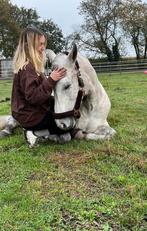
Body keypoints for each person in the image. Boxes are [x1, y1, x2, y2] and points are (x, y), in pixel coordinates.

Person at [11, 26, 69, 145]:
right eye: (40, 44)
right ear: (29, 46)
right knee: (65, 126)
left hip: (35, 111)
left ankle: (39, 131)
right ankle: (34, 134)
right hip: (29, 115)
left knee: (66, 114)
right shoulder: (27, 69)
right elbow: (33, 97)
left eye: (44, 44)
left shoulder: (34, 66)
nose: (43, 48)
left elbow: (42, 93)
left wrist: (57, 100)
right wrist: (51, 80)